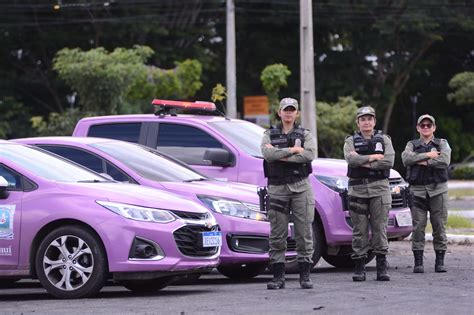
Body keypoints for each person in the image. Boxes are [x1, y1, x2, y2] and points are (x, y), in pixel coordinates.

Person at [261, 97, 316, 290]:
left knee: (304, 232)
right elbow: (267, 156)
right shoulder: (269, 134)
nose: (289, 113)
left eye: (292, 110)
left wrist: (280, 155)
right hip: (277, 188)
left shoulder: (305, 134)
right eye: (285, 109)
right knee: (277, 233)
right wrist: (293, 150)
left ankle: (305, 276)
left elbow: (309, 155)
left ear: (297, 113)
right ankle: (278, 277)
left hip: (301, 187)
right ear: (279, 112)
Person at [343, 106, 394, 282]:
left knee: (380, 228)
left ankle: (381, 267)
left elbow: (389, 161)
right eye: (363, 119)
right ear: (358, 122)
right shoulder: (350, 141)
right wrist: (373, 158)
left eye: (369, 119)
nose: (366, 122)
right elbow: (351, 159)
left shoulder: (384, 139)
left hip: (379, 188)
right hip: (357, 189)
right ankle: (359, 267)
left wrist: (363, 161)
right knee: (359, 230)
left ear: (374, 121)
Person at [401, 114, 451, 273]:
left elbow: (444, 160)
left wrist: (421, 161)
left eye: (429, 125)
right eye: (422, 125)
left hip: (438, 190)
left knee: (439, 225)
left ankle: (440, 262)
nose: (426, 128)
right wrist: (428, 155)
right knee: (418, 227)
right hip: (418, 190)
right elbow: (405, 158)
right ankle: (418, 262)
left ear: (434, 128)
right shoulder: (411, 144)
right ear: (418, 128)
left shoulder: (442, 143)